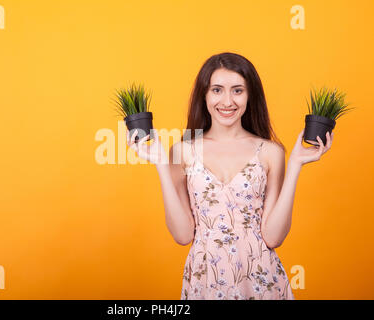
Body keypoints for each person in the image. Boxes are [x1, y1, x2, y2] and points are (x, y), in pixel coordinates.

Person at [126, 52, 334, 300]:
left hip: (261, 280)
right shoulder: (182, 151)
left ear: (250, 95)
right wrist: (161, 163)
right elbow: (182, 235)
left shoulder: (270, 152)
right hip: (206, 282)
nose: (227, 101)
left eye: (237, 90)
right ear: (204, 95)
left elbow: (273, 236)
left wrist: (296, 165)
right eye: (217, 90)